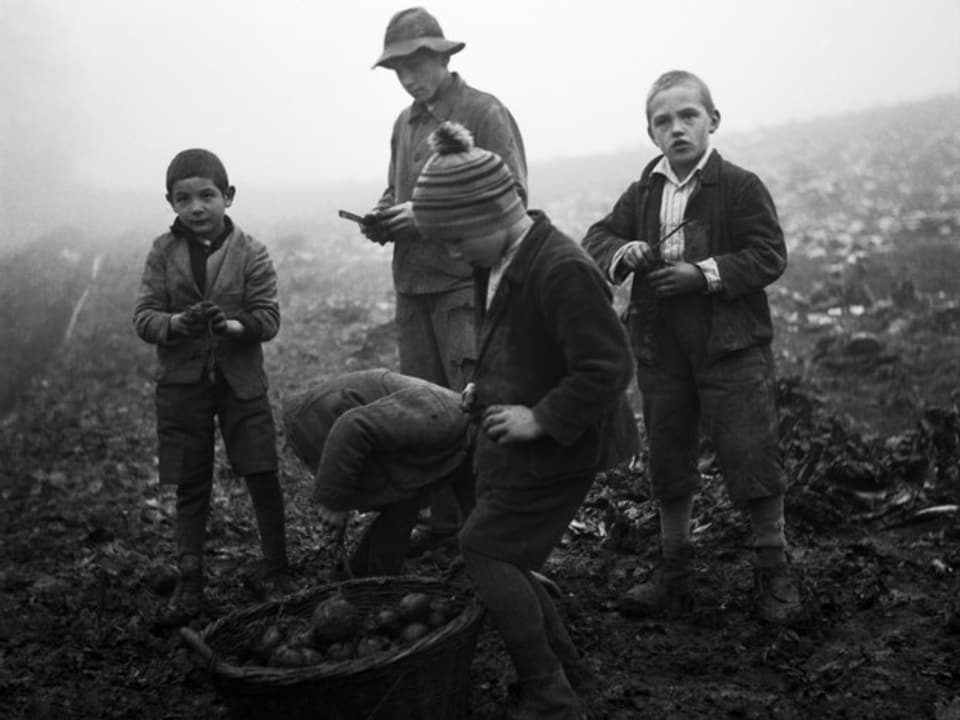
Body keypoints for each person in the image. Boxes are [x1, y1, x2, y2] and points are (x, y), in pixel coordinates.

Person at [411, 121, 638, 719]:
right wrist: (480, 389)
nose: (456, 256)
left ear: (494, 212)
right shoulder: (501, 259)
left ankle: (550, 696)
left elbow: (609, 366)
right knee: (504, 554)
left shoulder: (561, 267)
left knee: (484, 549)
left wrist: (540, 419)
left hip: (567, 443)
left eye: (458, 242)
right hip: (521, 438)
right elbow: (512, 342)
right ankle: (570, 672)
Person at [581, 70, 801, 623]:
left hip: (730, 345)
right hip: (661, 349)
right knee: (669, 455)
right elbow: (596, 239)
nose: (676, 129)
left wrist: (702, 276)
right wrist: (626, 250)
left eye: (688, 116)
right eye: (663, 121)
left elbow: (768, 254)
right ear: (651, 132)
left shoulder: (739, 186)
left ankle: (773, 571)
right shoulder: (644, 191)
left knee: (751, 450)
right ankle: (675, 572)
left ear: (713, 121)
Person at [363, 6, 528, 551]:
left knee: (471, 402)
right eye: (398, 69)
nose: (409, 77)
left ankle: (490, 525)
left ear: (442, 55)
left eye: (418, 62)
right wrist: (384, 217)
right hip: (413, 284)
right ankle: (443, 521)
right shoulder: (403, 123)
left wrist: (426, 213)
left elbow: (513, 201)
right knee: (424, 410)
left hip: (465, 285)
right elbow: (397, 190)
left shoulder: (484, 113)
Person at [133, 148, 288, 625]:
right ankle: (191, 581)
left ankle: (277, 572)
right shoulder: (163, 252)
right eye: (184, 199)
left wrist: (234, 327)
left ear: (229, 196)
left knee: (261, 471)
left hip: (240, 383)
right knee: (191, 480)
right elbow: (144, 316)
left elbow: (268, 318)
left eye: (207, 195)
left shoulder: (251, 252)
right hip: (182, 386)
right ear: (171, 203)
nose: (197, 207)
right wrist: (177, 323)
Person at [280, 368, 474, 577]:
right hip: (319, 416)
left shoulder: (468, 449)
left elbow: (477, 516)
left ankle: (371, 582)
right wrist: (333, 502)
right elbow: (351, 426)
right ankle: (363, 582)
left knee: (406, 500)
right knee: (397, 500)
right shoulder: (443, 417)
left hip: (354, 425)